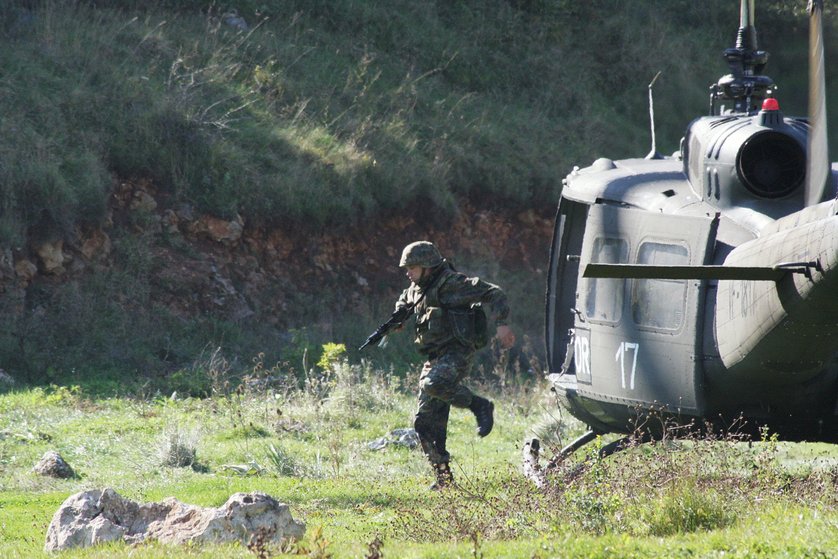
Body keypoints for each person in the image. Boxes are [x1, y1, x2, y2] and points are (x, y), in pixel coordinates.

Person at [393, 241, 515, 490]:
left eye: (412, 267)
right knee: (424, 422)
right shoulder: (417, 287)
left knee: (434, 383)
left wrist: (502, 324)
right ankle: (444, 479)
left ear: (427, 266)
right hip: (434, 357)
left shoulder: (452, 284)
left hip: (458, 353)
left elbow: (495, 292)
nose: (408, 273)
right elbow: (405, 301)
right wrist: (399, 316)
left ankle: (479, 405)